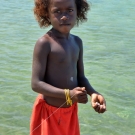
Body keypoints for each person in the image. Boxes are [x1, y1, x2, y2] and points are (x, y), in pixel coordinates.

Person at [30, 0, 106, 135]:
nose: (64, 16)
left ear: (78, 12)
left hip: (70, 111)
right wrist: (68, 94)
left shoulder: (77, 42)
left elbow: (80, 77)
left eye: (69, 10)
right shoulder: (45, 43)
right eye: (57, 11)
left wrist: (93, 93)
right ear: (47, 14)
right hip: (50, 111)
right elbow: (36, 84)